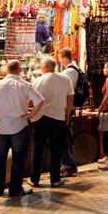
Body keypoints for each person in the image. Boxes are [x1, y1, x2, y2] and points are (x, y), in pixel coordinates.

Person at [0, 59, 44, 197]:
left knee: (0, 158)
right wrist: (31, 115)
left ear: (7, 70)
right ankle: (15, 188)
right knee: (18, 159)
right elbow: (40, 100)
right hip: (20, 125)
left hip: (2, 126)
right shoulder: (25, 85)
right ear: (20, 70)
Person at [29, 56, 73, 188]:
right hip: (58, 118)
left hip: (40, 118)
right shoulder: (65, 79)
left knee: (37, 149)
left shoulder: (38, 81)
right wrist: (66, 116)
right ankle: (55, 179)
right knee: (56, 149)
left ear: (44, 67)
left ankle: (34, 179)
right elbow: (70, 100)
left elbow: (30, 102)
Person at [58, 48, 79, 177]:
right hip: (69, 107)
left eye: (60, 58)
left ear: (65, 58)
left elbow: (68, 94)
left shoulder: (68, 72)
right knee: (67, 138)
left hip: (66, 108)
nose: (59, 61)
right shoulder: (76, 69)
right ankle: (68, 164)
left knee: (64, 139)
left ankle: (69, 165)